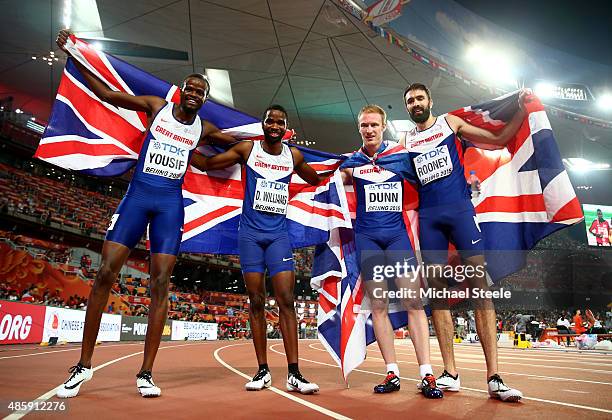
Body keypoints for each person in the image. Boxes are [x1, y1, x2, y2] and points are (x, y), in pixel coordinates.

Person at [55, 30, 236, 398]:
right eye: (190, 87)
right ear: (181, 90)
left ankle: (147, 373)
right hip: (137, 199)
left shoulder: (206, 128)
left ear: (204, 100)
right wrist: (75, 57)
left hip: (170, 206)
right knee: (105, 273)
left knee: (160, 285)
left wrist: (281, 141)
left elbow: (244, 143)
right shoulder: (157, 106)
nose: (194, 93)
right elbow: (108, 94)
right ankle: (83, 365)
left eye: (201, 91)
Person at [401, 83, 527, 402]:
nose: (415, 103)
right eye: (410, 101)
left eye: (419, 98)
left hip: (459, 213)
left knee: (479, 290)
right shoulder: (405, 141)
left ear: (430, 101)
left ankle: (494, 377)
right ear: (407, 108)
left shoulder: (450, 123)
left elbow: (497, 139)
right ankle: (450, 373)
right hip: (430, 221)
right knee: (439, 296)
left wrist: (523, 111)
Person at [196, 104, 322, 394]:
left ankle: (294, 373)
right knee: (255, 299)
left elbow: (317, 179)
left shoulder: (294, 155)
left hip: (279, 236)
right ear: (263, 124)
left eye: (280, 122)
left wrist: (346, 173)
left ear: (285, 127)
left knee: (286, 299)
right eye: (270, 121)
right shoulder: (247, 150)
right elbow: (207, 165)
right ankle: (263, 370)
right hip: (250, 236)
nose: (275, 125)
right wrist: (187, 142)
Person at [338, 105, 442, 398]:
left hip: (398, 239)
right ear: (359, 128)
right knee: (379, 307)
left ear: (383, 126)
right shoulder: (351, 162)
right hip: (368, 240)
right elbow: (324, 181)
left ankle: (427, 374)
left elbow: (431, 178)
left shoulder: (400, 156)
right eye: (363, 125)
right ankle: (392, 372)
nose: (368, 130)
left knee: (414, 304)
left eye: (373, 124)